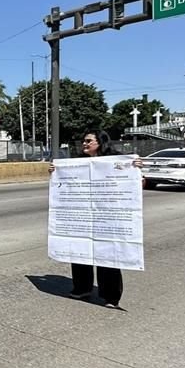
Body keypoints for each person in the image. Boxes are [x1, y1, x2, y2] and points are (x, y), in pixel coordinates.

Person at [49, 130, 142, 309]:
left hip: (107, 215)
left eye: (88, 141)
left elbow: (132, 182)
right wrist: (55, 171)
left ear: (100, 142)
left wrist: (136, 167)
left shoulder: (117, 160)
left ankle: (111, 297)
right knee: (80, 249)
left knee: (107, 253)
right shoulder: (77, 162)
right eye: (83, 141)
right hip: (83, 215)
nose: (84, 143)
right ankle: (81, 288)